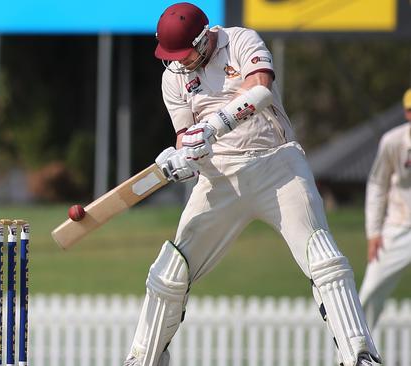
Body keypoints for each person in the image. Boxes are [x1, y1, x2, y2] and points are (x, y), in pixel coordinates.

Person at [124, 3, 381, 366]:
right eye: (174, 57)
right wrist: (182, 157)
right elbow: (186, 137)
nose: (181, 63)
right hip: (220, 178)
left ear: (204, 38)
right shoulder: (174, 78)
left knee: (324, 257)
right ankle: (142, 359)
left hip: (277, 164)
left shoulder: (240, 40)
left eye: (186, 54)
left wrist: (213, 127)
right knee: (170, 271)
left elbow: (260, 91)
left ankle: (359, 355)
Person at [359, 88, 411, 330]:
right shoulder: (393, 141)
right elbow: (378, 184)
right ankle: (356, 355)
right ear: (406, 113)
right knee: (370, 291)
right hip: (399, 225)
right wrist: (374, 233)